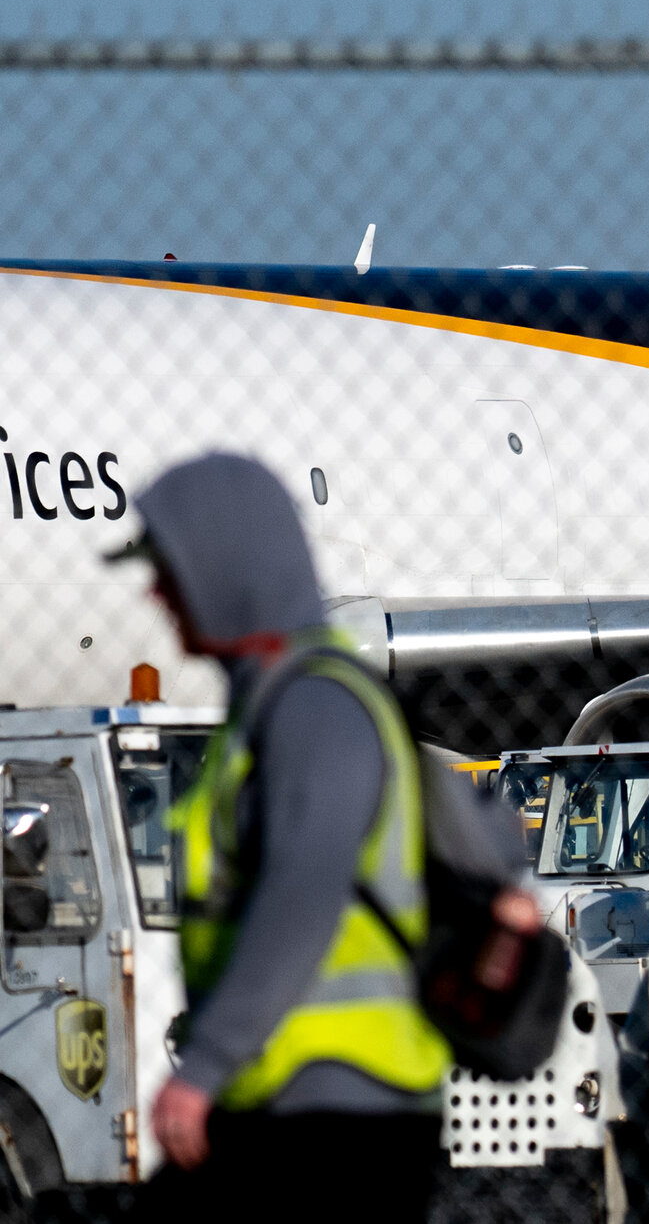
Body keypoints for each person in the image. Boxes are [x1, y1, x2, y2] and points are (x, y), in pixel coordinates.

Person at [113, 451, 533, 1224]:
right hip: (297, 1097)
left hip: (337, 1109)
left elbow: (302, 895)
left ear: (226, 571)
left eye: (169, 569)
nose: (156, 592)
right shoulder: (284, 702)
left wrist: (203, 1066)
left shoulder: (313, 707)